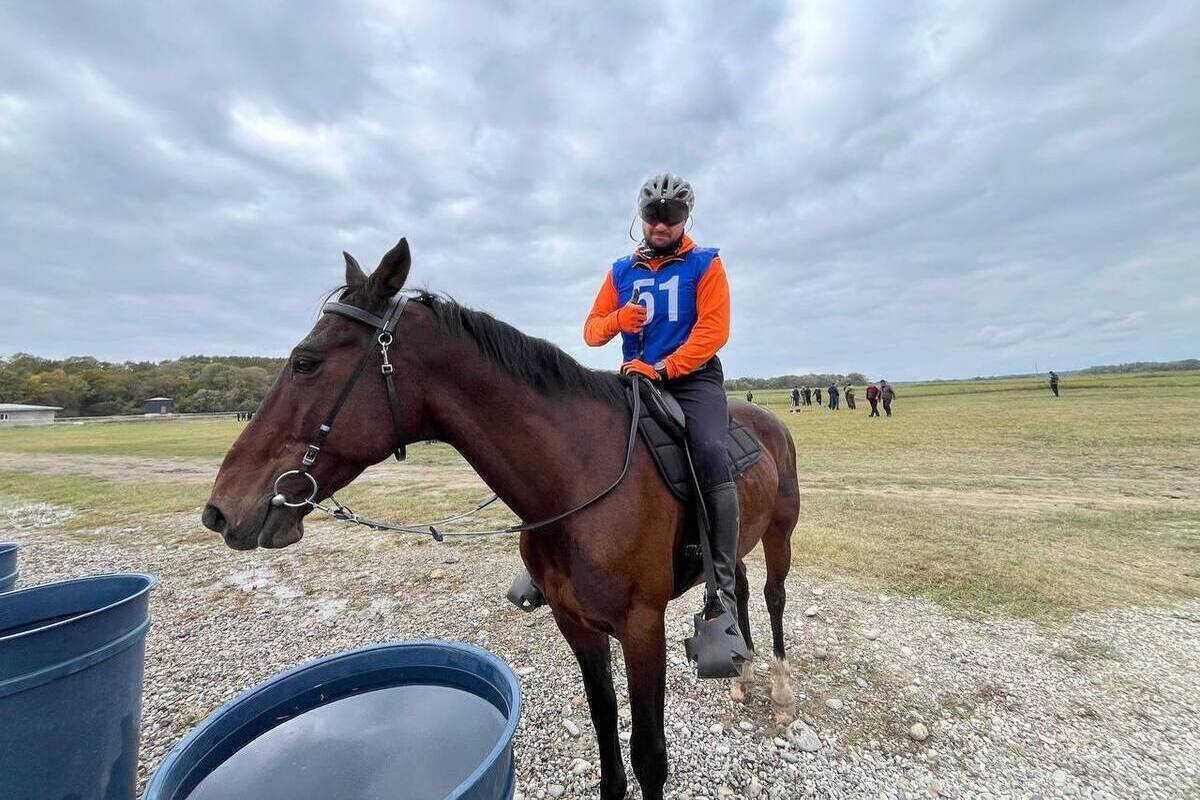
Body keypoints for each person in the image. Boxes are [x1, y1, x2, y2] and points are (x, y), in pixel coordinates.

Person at [506, 173, 747, 669]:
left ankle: (720, 594)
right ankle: (544, 562)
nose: (661, 224)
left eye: (671, 216)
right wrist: (620, 321)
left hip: (691, 380)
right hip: (635, 378)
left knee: (708, 450)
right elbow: (592, 331)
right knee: (578, 441)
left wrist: (665, 368)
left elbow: (713, 331)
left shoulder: (706, 264)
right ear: (642, 217)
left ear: (685, 219)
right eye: (653, 215)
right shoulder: (620, 271)